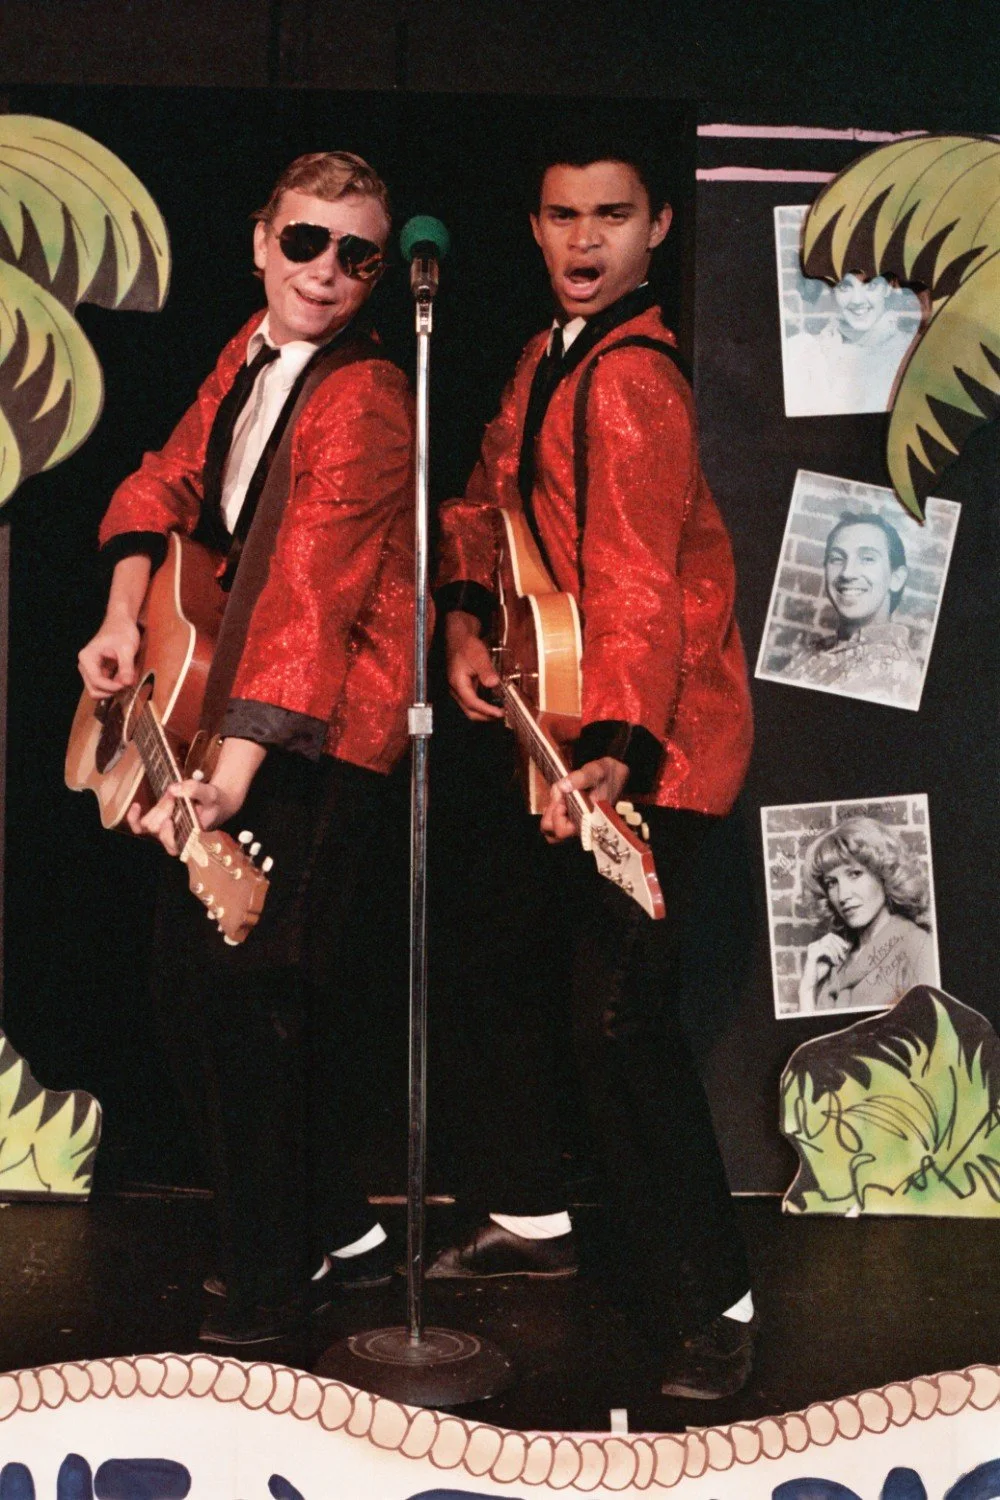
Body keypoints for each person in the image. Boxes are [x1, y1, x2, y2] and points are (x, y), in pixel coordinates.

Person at [430, 127, 757, 1400]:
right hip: (550, 727)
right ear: (535, 228)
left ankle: (716, 1301)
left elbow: (639, 584)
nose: (584, 242)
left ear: (658, 229)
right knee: (503, 957)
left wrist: (621, 745)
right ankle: (532, 1214)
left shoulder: (632, 383)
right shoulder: (541, 357)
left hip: (647, 747)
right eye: (563, 217)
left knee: (619, 1024)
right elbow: (480, 496)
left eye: (611, 218)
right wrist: (464, 615)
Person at [77, 151, 415, 1346]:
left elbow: (308, 607)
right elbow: (163, 478)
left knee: (247, 994)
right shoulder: (253, 349)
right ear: (262, 241)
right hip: (233, 711)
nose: (327, 271)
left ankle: (277, 1288)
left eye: (355, 254)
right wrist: (124, 614)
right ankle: (339, 1231)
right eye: (308, 242)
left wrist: (227, 777)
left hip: (320, 735)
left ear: (376, 272)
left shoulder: (368, 396)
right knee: (190, 988)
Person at [798, 816, 938, 1014]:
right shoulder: (836, 960)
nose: (843, 896)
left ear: (883, 873)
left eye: (854, 874)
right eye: (832, 883)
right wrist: (807, 989)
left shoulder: (917, 946)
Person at [783, 511, 923, 704]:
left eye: (867, 558)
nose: (847, 573)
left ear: (896, 578)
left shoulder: (892, 675)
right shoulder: (816, 649)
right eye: (837, 559)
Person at [783, 269, 918, 416]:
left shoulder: (911, 354)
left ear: (887, 288)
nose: (857, 300)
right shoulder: (803, 352)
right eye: (845, 286)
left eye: (870, 285)